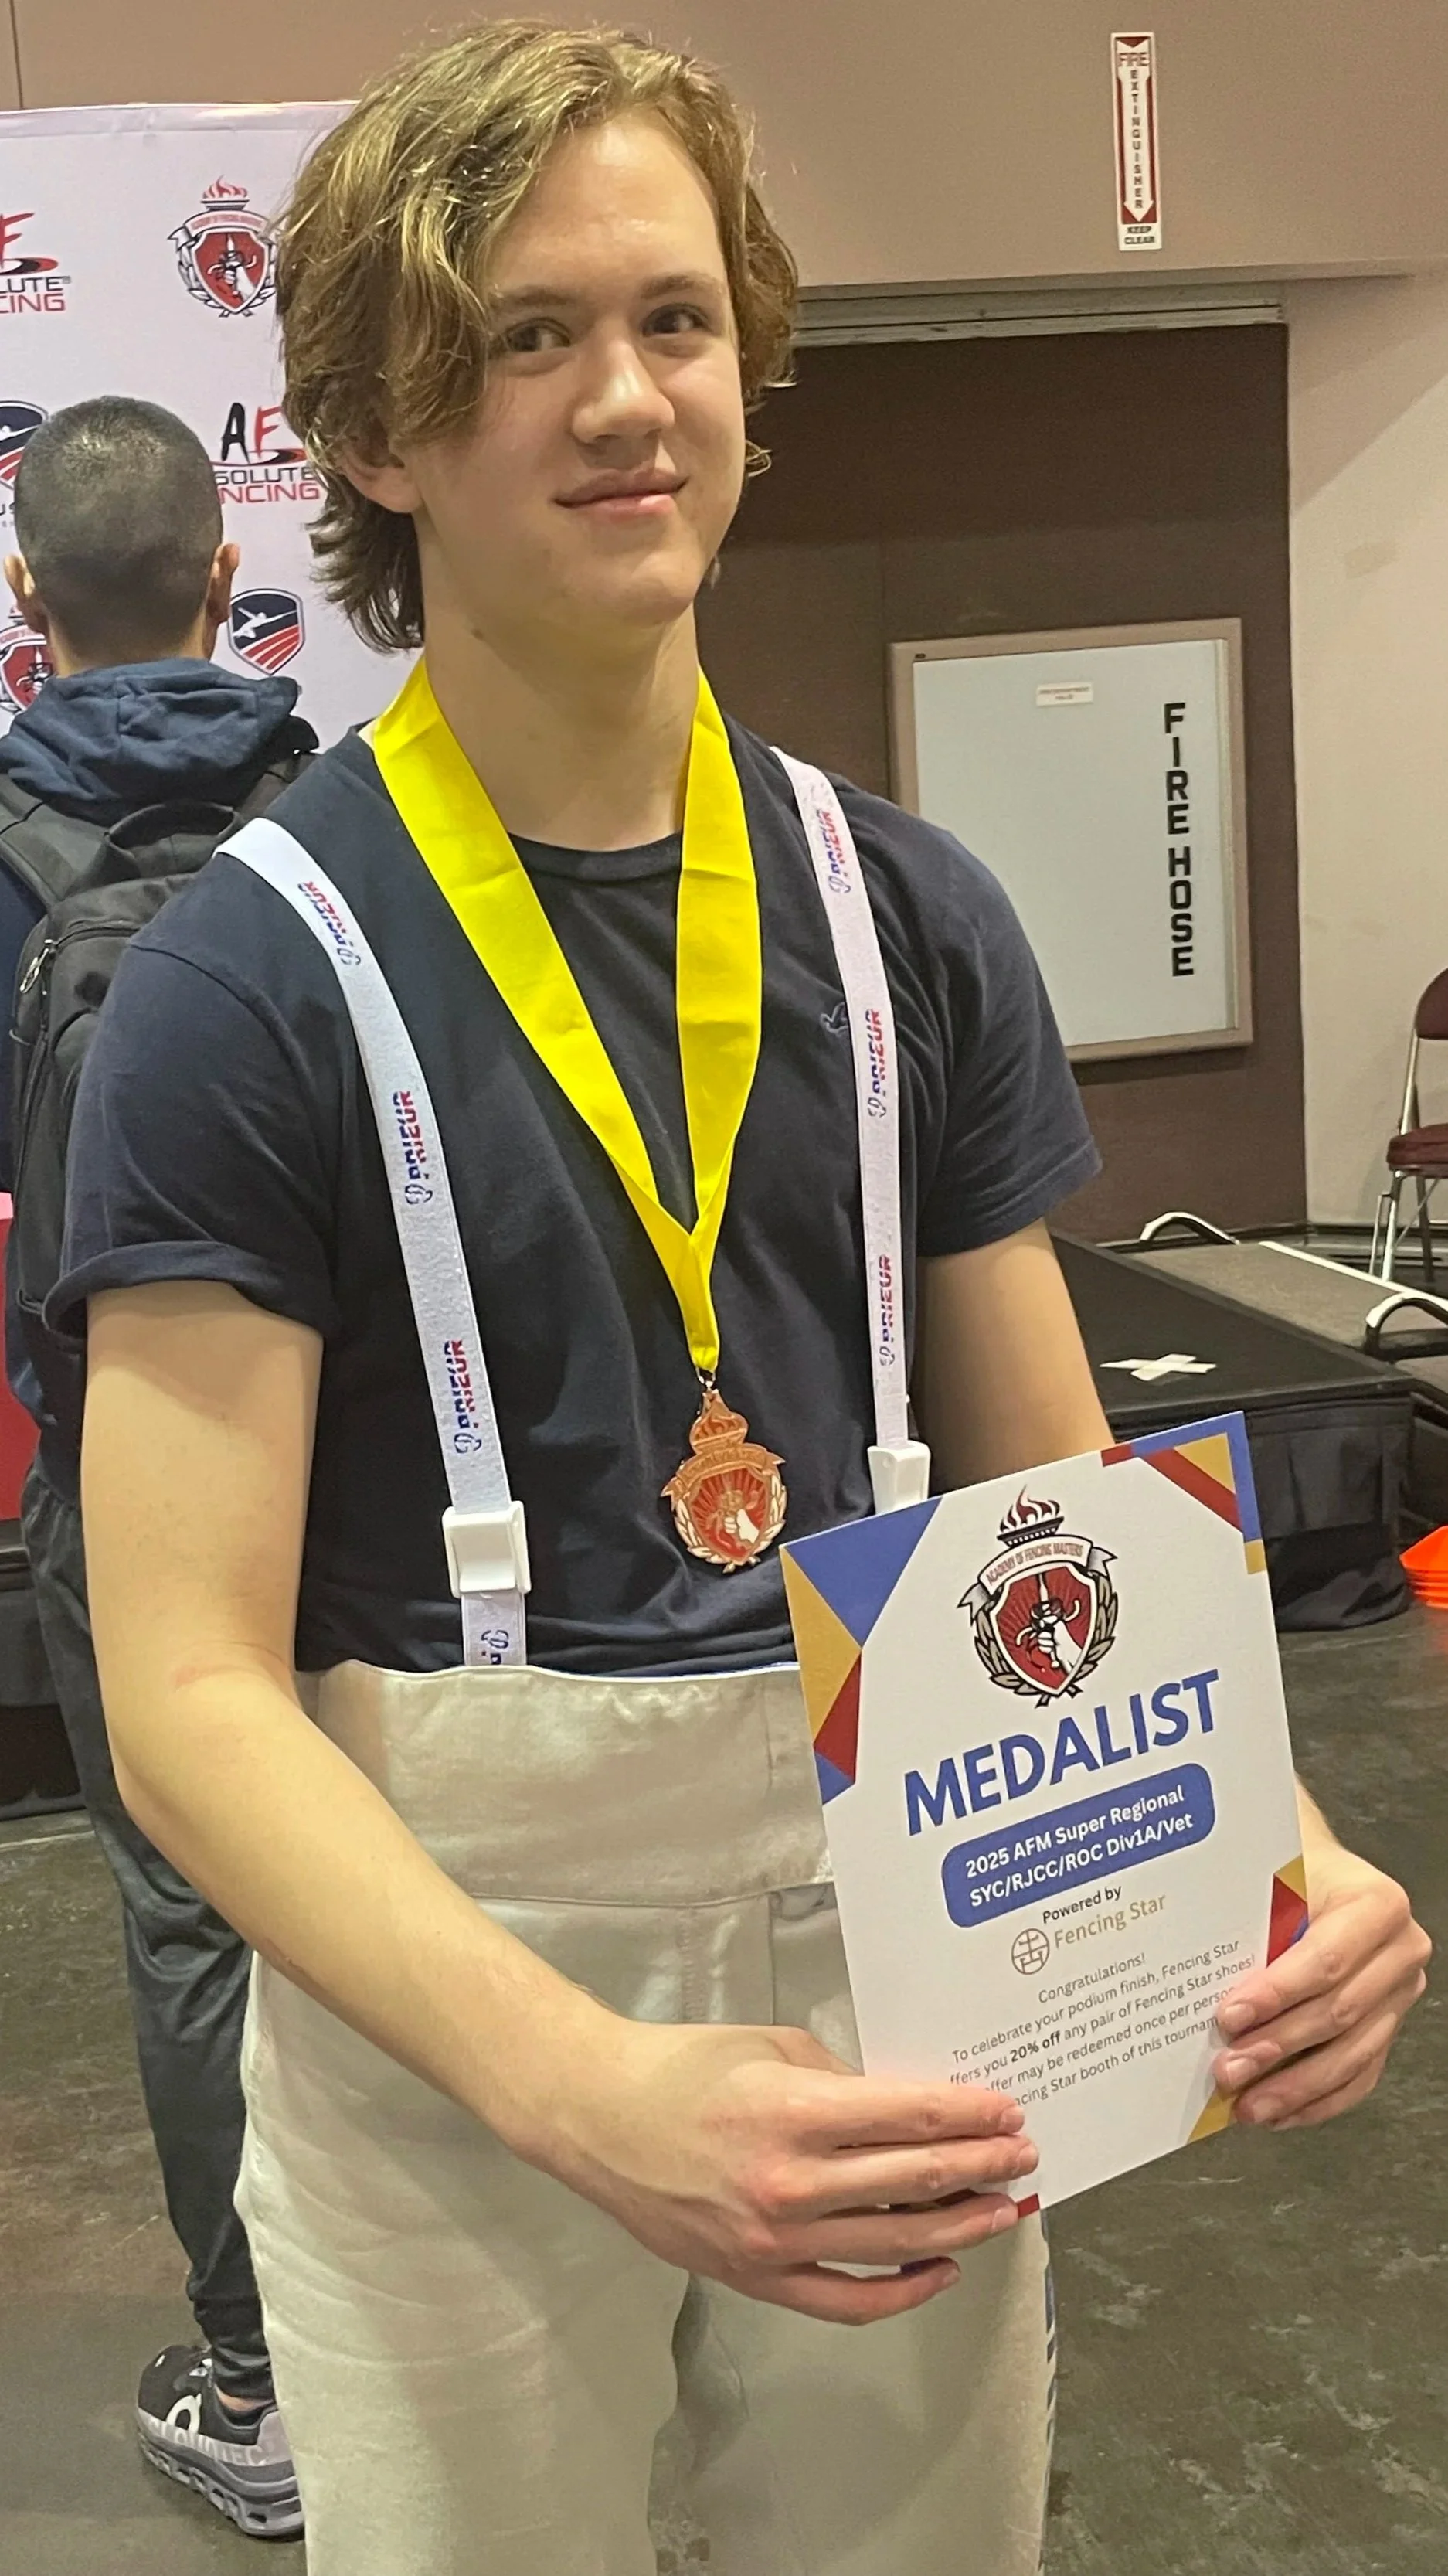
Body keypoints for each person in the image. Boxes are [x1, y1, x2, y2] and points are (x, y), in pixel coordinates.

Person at [53, 26, 1429, 2575]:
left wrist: (1285, 1859)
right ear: (373, 429)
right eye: (526, 335)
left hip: (904, 1963)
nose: (625, 400)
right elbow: (188, 1690)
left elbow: (1055, 1508)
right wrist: (589, 2087)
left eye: (676, 322)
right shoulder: (249, 987)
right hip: (456, 2029)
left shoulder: (906, 918)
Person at [0, 396, 311, 2538]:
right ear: (228, 581)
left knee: (194, 1914)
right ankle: (445, 2320)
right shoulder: (353, 809)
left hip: (116, 1461)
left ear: (30, 611)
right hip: (366, 1450)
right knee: (401, 1856)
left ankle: (265, 2379)